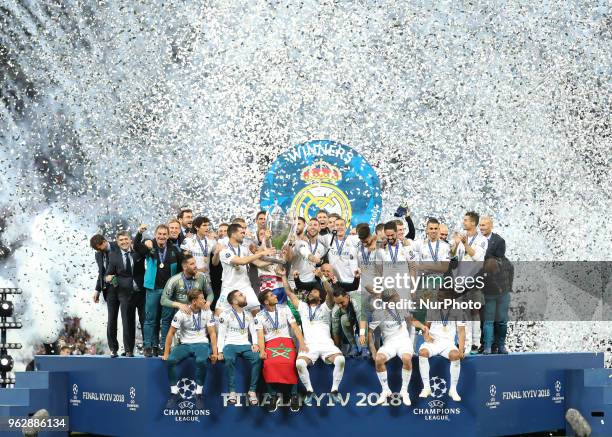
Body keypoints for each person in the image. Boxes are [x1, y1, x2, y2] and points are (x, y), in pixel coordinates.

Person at [278, 266, 345, 404]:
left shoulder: (326, 307)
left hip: (327, 345)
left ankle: (334, 390)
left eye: (314, 292)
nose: (310, 293)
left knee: (340, 360)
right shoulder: (302, 307)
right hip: (309, 345)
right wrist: (284, 276)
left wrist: (322, 276)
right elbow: (289, 293)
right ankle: (309, 391)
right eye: (310, 292)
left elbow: (330, 292)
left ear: (320, 298)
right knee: (300, 363)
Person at [134, 224, 183, 358]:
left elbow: (182, 267)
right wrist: (140, 233)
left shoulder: (174, 249)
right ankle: (149, 346)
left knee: (166, 320)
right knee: (150, 319)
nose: (161, 236)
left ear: (168, 236)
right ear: (156, 235)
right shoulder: (150, 246)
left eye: (164, 234)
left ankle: (163, 346)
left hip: (169, 291)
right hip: (153, 289)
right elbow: (136, 246)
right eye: (159, 234)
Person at [162, 289, 217, 410]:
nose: (205, 301)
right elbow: (170, 333)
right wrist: (166, 353)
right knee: (170, 360)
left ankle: (199, 393)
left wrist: (215, 353)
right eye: (202, 298)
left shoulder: (207, 311)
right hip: (185, 344)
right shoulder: (181, 313)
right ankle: (174, 392)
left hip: (202, 343)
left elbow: (212, 333)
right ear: (194, 301)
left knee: (201, 361)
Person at [370, 297, 430, 406]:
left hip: (404, 342)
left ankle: (404, 391)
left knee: (407, 358)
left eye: (395, 301)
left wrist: (422, 326)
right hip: (389, 344)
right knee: (378, 359)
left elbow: (411, 320)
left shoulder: (401, 308)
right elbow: (369, 333)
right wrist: (373, 350)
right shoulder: (377, 314)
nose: (395, 303)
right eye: (391, 302)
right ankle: (385, 390)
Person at [255, 289, 307, 413]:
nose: (275, 296)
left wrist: (302, 343)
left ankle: (294, 396)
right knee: (268, 364)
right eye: (272, 296)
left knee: (290, 363)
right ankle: (273, 396)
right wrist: (262, 350)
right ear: (266, 302)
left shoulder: (285, 309)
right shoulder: (259, 316)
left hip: (286, 341)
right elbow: (260, 335)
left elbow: (295, 327)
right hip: (271, 343)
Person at [450, 211, 488, 354]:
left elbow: (478, 257)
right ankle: (464, 343)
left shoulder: (482, 239)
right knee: (462, 312)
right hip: (460, 280)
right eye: (464, 219)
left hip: (474, 280)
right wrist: (456, 245)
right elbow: (452, 256)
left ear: (473, 223)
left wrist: (465, 244)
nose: (464, 222)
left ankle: (475, 343)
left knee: (474, 311)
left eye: (466, 220)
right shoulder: (461, 238)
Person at [216, 224, 275, 315]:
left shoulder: (244, 249)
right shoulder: (224, 251)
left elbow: (258, 263)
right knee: (218, 313)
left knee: (256, 312)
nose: (244, 235)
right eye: (242, 232)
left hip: (245, 286)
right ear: (233, 234)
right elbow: (242, 261)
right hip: (229, 287)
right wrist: (262, 253)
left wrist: (274, 261)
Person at [418, 290, 466, 402]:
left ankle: (453, 390)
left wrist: (461, 349)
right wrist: (426, 336)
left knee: (455, 356)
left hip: (448, 344)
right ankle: (426, 387)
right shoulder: (432, 307)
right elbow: (426, 326)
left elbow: (461, 331)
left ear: (449, 297)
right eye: (438, 296)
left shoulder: (458, 310)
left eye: (441, 296)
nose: (438, 298)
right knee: (422, 353)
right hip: (433, 343)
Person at [217, 290, 261, 406]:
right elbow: (221, 334)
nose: (244, 295)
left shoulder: (248, 314)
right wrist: (220, 351)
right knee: (229, 359)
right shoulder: (224, 315)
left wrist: (255, 343)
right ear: (234, 301)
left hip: (245, 344)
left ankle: (252, 391)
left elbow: (253, 331)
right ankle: (232, 391)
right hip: (230, 344)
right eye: (241, 295)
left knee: (257, 357)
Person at [104, 231, 144, 357]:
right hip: (124, 293)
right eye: (121, 240)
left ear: (130, 240)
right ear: (117, 242)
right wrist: (108, 278)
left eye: (126, 239)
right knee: (127, 322)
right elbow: (107, 274)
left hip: (141, 292)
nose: (124, 242)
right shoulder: (114, 256)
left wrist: (140, 234)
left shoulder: (137, 252)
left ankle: (149, 347)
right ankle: (128, 350)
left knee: (145, 321)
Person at [161, 255, 214, 347]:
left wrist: (208, 303)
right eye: (192, 264)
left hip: (198, 315)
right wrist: (179, 305)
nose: (195, 266)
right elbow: (163, 300)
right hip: (182, 315)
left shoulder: (202, 277)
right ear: (185, 267)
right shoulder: (174, 280)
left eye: (195, 263)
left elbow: (210, 294)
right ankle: (164, 347)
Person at [480, 216, 511, 354]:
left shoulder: (499, 241)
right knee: (488, 320)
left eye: (484, 225)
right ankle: (487, 346)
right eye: (480, 225)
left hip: (502, 288)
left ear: (491, 226)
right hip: (487, 289)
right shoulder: (476, 241)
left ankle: (501, 345)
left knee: (502, 320)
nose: (482, 228)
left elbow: (493, 261)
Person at [292, 218, 328, 291]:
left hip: (311, 283)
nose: (312, 227)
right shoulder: (300, 242)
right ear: (307, 228)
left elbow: (318, 266)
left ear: (319, 228)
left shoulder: (322, 248)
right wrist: (315, 259)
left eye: (315, 225)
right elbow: (307, 254)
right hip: (296, 281)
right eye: (310, 225)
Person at [321, 217, 359, 283]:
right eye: (337, 225)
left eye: (342, 225)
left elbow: (369, 238)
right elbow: (314, 238)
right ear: (334, 228)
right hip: (334, 280)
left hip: (350, 280)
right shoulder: (329, 238)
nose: (339, 227)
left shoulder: (353, 239)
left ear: (346, 227)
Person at [332, 288, 367, 358]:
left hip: (366, 314)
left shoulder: (356, 300)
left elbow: (362, 318)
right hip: (352, 316)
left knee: (364, 319)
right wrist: (337, 349)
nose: (340, 306)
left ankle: (365, 348)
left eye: (342, 302)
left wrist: (362, 334)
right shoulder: (336, 309)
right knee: (344, 319)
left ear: (347, 297)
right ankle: (354, 347)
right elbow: (335, 331)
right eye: (337, 303)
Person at [90, 234, 119, 304]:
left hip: (124, 287)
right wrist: (97, 290)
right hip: (109, 291)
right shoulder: (98, 254)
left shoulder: (119, 245)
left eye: (100, 248)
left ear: (104, 241)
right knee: (111, 315)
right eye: (97, 249)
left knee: (126, 314)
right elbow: (101, 272)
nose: (99, 250)